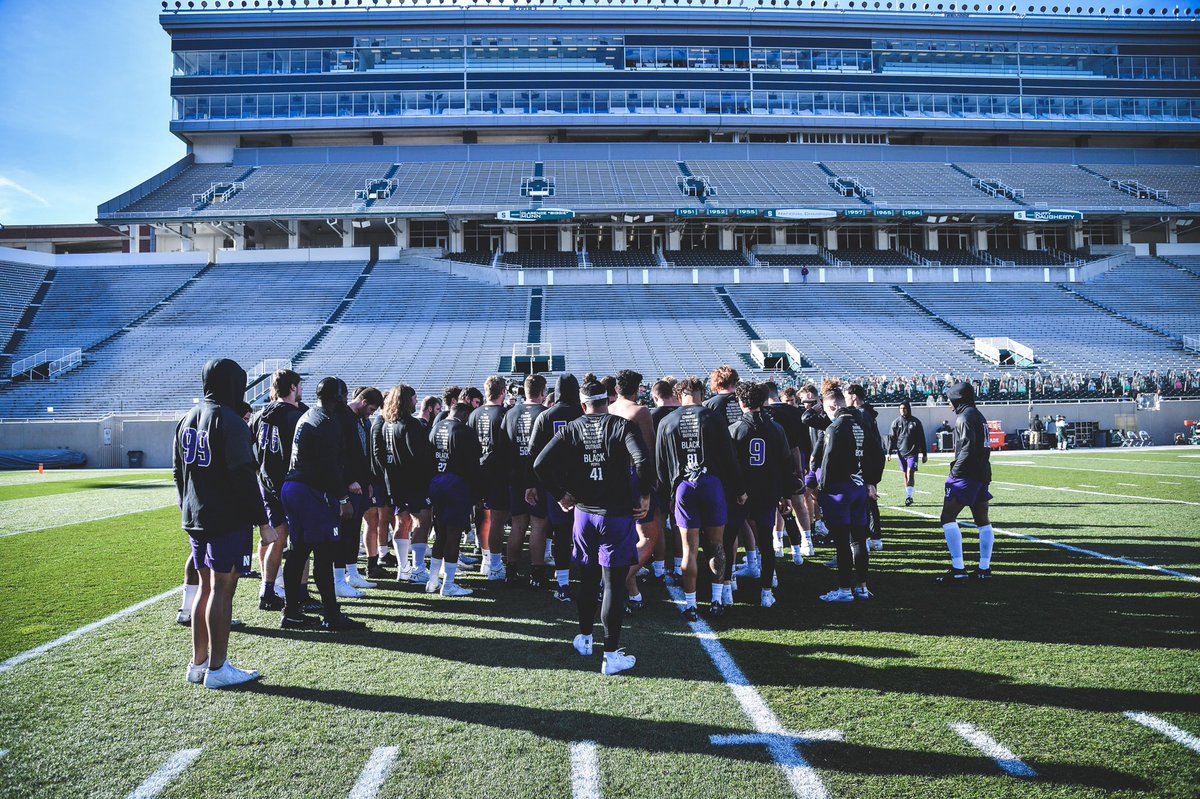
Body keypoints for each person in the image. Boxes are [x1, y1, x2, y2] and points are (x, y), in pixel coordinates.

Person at [533, 379, 651, 676]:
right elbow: (643, 461)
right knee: (612, 584)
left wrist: (561, 495)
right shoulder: (621, 425)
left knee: (586, 579)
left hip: (584, 516)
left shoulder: (571, 427)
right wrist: (646, 495)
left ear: (583, 404)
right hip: (615, 514)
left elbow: (540, 464)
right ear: (607, 400)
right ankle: (610, 655)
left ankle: (585, 638)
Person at [173, 358, 268, 688]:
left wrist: (189, 507)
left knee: (204, 589)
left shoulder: (187, 417)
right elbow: (244, 477)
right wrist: (263, 521)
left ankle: (197, 664)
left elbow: (177, 473)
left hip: (196, 516)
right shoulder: (231, 420)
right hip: (227, 517)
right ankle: (217, 669)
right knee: (222, 591)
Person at [280, 378, 367, 631]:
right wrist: (342, 498)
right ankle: (331, 614)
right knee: (324, 553)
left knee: (299, 552)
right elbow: (330, 466)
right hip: (310, 491)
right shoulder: (327, 422)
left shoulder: (308, 414)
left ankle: (292, 612)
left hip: (294, 486)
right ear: (338, 397)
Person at [657, 376, 746, 620]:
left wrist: (667, 496)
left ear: (678, 394)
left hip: (684, 486)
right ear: (701, 393)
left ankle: (691, 604)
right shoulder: (713, 417)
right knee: (717, 545)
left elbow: (661, 466)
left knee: (689, 550)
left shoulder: (667, 421)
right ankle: (717, 600)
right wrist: (739, 489)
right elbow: (730, 458)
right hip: (712, 484)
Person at [816, 378, 884, 603]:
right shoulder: (861, 423)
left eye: (826, 409)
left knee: (843, 542)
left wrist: (821, 489)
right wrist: (871, 481)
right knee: (859, 540)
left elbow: (828, 462)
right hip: (858, 487)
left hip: (840, 490)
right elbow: (877, 454)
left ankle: (845, 589)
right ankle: (863, 587)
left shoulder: (835, 427)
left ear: (833, 406)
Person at [726, 382, 792, 608]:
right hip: (768, 492)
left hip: (741, 494)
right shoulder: (776, 428)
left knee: (730, 539)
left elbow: (730, 467)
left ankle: (727, 587)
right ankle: (766, 591)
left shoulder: (734, 429)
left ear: (741, 403)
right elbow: (786, 464)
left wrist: (738, 490)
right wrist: (785, 494)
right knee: (766, 541)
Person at [249, 368, 306, 610]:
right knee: (301, 541)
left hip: (266, 484)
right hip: (290, 484)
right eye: (299, 385)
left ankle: (267, 589)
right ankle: (300, 594)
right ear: (292, 387)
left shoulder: (259, 415)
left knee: (273, 539)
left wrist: (259, 473)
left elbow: (247, 448)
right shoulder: (297, 416)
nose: (301, 389)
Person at [527, 373, 584, 601]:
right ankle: (594, 582)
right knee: (588, 535)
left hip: (555, 487)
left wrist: (531, 484)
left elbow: (533, 454)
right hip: (584, 484)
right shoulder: (584, 414)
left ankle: (562, 584)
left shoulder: (545, 416)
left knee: (561, 535)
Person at [608, 369, 663, 609]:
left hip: (610, 479)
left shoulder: (607, 409)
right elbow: (648, 452)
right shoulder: (640, 411)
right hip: (632, 477)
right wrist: (648, 490)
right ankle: (615, 582)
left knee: (624, 536)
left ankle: (633, 593)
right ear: (637, 388)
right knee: (649, 538)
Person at [937, 381, 995, 583]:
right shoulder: (978, 415)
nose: (948, 405)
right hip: (982, 473)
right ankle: (984, 569)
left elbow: (968, 450)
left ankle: (958, 568)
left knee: (947, 517)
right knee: (982, 521)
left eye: (950, 400)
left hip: (966, 475)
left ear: (957, 399)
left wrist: (955, 473)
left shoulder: (965, 417)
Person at [380, 384, 435, 583]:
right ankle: (418, 568)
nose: (416, 402)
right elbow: (418, 456)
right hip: (413, 482)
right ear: (406, 400)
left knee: (402, 521)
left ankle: (403, 569)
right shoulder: (412, 425)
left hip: (394, 482)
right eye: (414, 398)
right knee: (422, 521)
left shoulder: (387, 423)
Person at [428, 402, 483, 596]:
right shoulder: (464, 430)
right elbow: (473, 465)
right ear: (465, 414)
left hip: (436, 481)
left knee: (440, 532)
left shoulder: (436, 427)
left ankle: (433, 581)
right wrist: (477, 493)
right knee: (453, 534)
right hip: (456, 484)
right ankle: (448, 584)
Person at [333, 386, 383, 597]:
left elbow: (365, 454)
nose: (371, 413)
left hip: (361, 484)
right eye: (371, 408)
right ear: (363, 403)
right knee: (344, 532)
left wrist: (367, 480)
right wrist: (348, 481)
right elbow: (340, 454)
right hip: (349, 486)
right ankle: (339, 576)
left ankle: (352, 572)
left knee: (353, 531)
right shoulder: (343, 418)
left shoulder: (362, 420)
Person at [502, 374, 550, 587]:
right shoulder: (545, 414)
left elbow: (504, 445)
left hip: (515, 476)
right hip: (538, 477)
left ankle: (511, 570)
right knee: (539, 525)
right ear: (542, 392)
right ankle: (537, 572)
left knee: (518, 525)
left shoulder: (511, 413)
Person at [763, 381, 814, 563]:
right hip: (794, 462)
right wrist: (803, 465)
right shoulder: (795, 412)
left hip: (772, 464)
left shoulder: (765, 413)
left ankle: (777, 542)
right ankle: (807, 541)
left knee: (777, 504)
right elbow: (803, 443)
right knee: (798, 503)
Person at [469, 375, 511, 581]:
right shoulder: (504, 414)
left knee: (482, 517)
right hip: (498, 472)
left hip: (478, 470)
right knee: (497, 521)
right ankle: (494, 564)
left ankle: (487, 560)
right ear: (502, 392)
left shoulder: (474, 414)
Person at [844, 384, 886, 552]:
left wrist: (869, 477)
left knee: (866, 502)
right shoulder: (866, 413)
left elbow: (866, 445)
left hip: (866, 465)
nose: (845, 400)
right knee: (869, 502)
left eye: (847, 396)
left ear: (854, 396)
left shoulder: (861, 415)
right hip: (871, 463)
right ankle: (874, 538)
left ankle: (869, 539)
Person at [887, 400, 928, 507]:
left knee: (910, 472)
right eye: (901, 409)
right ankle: (908, 495)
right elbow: (891, 438)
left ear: (908, 409)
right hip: (901, 452)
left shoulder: (915, 422)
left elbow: (922, 438)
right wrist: (889, 452)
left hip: (913, 452)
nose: (902, 410)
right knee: (905, 474)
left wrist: (924, 454)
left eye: (904, 408)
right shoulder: (896, 422)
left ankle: (909, 496)